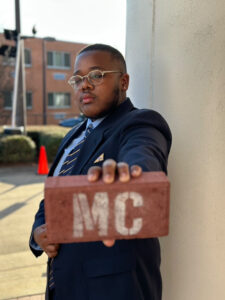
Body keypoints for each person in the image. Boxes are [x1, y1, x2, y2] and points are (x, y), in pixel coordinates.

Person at [30, 44, 172, 300]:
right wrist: (38, 231)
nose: (84, 85)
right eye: (77, 79)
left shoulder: (140, 123)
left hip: (113, 290)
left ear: (124, 81)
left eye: (96, 75)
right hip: (62, 286)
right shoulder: (73, 136)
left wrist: (128, 180)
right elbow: (53, 195)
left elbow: (143, 159)